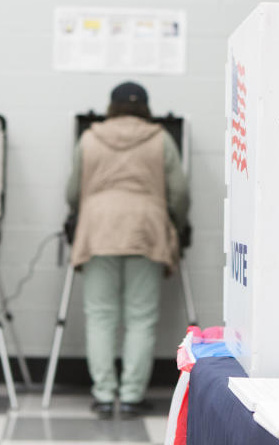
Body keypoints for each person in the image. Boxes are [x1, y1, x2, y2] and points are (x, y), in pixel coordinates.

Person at [66, 81, 189, 419]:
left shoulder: (90, 137)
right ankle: (132, 396)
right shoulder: (161, 138)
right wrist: (178, 225)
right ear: (146, 108)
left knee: (100, 316)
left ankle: (104, 396)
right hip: (145, 230)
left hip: (98, 230)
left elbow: (73, 190)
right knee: (141, 318)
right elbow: (178, 192)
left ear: (111, 106)